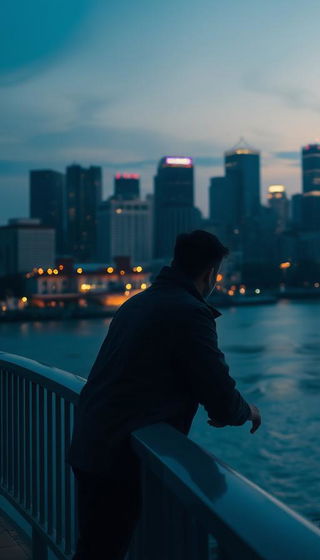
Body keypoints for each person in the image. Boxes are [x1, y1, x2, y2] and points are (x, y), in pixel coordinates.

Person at [67, 230, 261, 560]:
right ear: (210, 273)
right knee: (103, 552)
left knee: (94, 549)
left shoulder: (138, 302)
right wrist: (247, 411)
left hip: (92, 439)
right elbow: (218, 388)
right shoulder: (190, 312)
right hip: (119, 453)